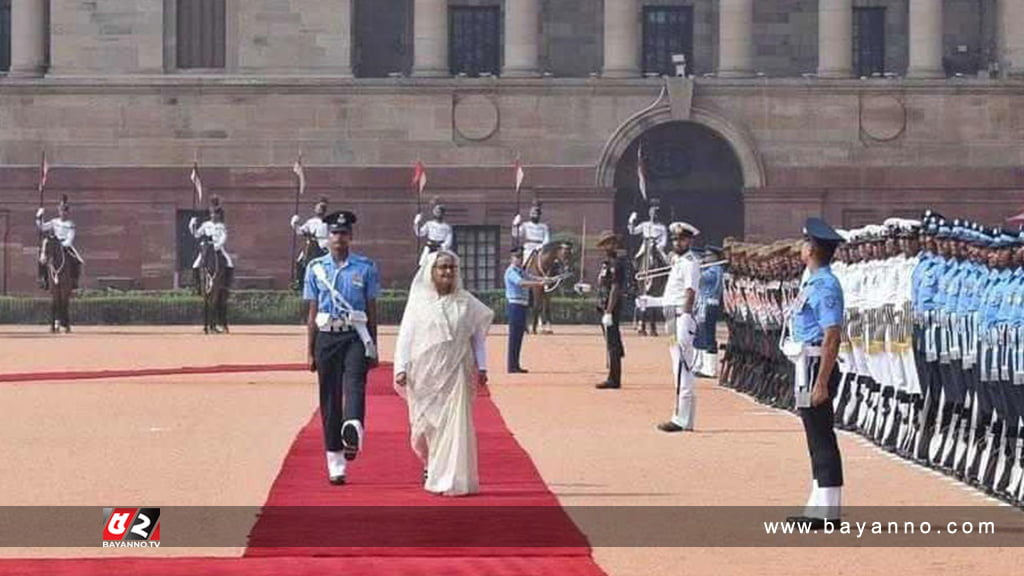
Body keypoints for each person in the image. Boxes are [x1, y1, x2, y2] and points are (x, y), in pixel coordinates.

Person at [394, 250, 493, 496]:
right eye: (442, 267)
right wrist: (400, 367)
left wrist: (482, 367)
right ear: (432, 271)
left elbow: (477, 338)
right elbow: (406, 336)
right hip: (425, 374)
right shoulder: (418, 302)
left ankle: (450, 478)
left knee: (454, 426)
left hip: (458, 370)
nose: (448, 272)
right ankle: (429, 464)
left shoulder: (467, 302)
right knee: (423, 429)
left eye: (452, 267)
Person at [303, 210, 380, 486]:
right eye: (335, 233)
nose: (339, 238)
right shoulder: (315, 268)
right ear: (328, 236)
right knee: (330, 398)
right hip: (326, 336)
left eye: (344, 233)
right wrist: (310, 349)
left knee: (355, 384)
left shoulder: (366, 267)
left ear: (351, 236)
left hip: (355, 336)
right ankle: (335, 460)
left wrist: (374, 345)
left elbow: (372, 308)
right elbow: (312, 310)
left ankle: (352, 427)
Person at [783, 217, 846, 529]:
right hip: (805, 363)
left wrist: (822, 381)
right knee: (814, 435)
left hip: (816, 363)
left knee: (821, 435)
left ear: (813, 249)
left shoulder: (825, 285)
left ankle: (829, 511)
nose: (801, 246)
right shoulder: (810, 281)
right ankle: (818, 506)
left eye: (805, 242)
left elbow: (832, 334)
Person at [637, 221, 701, 432]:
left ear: (689, 241)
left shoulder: (690, 262)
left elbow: (690, 293)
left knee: (682, 369)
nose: (677, 242)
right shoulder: (678, 262)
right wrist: (652, 301)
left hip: (680, 319)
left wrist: (685, 316)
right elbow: (671, 296)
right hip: (671, 320)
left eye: (681, 239)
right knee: (680, 368)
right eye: (674, 239)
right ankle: (687, 419)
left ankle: (680, 419)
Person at [627, 199, 669, 337]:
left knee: (667, 264)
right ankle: (632, 284)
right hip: (645, 248)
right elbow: (632, 232)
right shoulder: (645, 225)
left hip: (656, 248)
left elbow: (664, 241)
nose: (653, 213)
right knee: (635, 263)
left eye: (656, 211)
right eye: (652, 211)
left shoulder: (662, 227)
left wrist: (657, 245)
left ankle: (666, 282)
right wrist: (631, 220)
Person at [504, 246, 544, 373]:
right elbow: (521, 283)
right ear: (511, 258)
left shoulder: (520, 271)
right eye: (517, 257)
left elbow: (531, 277)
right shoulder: (511, 271)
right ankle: (511, 365)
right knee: (514, 336)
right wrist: (538, 284)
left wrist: (545, 279)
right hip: (515, 305)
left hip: (522, 305)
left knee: (519, 336)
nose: (519, 259)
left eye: (521, 257)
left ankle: (516, 364)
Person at [595, 231, 627, 389]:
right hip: (603, 305)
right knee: (610, 341)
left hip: (611, 307)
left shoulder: (617, 263)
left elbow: (615, 288)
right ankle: (612, 375)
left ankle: (614, 378)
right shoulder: (606, 263)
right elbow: (603, 284)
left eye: (610, 243)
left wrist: (609, 311)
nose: (607, 246)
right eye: (605, 243)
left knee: (613, 342)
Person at [35, 195, 84, 290]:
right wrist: (39, 216)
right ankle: (43, 279)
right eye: (61, 211)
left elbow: (70, 239)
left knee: (76, 261)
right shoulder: (54, 222)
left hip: (65, 245)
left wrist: (62, 244)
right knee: (43, 257)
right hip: (54, 243)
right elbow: (42, 227)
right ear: (59, 211)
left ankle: (74, 281)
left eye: (64, 211)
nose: (62, 213)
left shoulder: (70, 224)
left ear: (67, 212)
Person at [189, 196, 234, 291]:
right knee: (195, 265)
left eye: (215, 214)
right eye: (212, 214)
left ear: (218, 215)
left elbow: (223, 238)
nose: (213, 216)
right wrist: (192, 225)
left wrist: (217, 246)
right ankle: (197, 286)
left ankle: (227, 284)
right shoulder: (206, 225)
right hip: (206, 247)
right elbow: (197, 234)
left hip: (218, 247)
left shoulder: (221, 226)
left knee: (230, 263)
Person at [695, 245, 725, 378]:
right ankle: (702, 364)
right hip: (703, 304)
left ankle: (710, 368)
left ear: (715, 257)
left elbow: (699, 279)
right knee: (701, 334)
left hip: (709, 304)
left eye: (708, 256)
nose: (705, 258)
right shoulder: (710, 269)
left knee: (708, 335)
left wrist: (695, 267)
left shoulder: (715, 270)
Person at [290, 197, 330, 277]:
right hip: (311, 244)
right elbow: (300, 231)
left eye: (322, 208)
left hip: (324, 245)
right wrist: (294, 223)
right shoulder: (311, 222)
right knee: (300, 261)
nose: (319, 210)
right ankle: (299, 281)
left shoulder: (328, 222)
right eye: (318, 208)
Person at [512, 200, 551, 269]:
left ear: (539, 215)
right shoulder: (525, 225)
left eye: (536, 214)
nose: (534, 215)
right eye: (532, 213)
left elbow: (547, 239)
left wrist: (541, 246)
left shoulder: (544, 227)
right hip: (529, 248)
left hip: (540, 249)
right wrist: (515, 225)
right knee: (524, 262)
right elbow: (516, 235)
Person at [414, 201, 453, 266]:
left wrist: (442, 247)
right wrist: (416, 223)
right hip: (429, 247)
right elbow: (419, 233)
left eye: (439, 212)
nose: (437, 213)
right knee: (422, 264)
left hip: (440, 249)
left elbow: (448, 241)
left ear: (442, 213)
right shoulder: (429, 224)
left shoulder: (447, 227)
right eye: (435, 211)